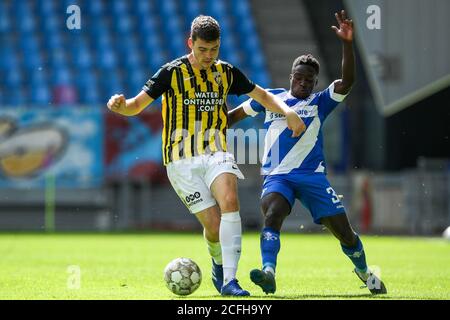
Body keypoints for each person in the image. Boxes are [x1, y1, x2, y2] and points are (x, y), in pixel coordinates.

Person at [107, 15, 305, 296]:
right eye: (202, 50)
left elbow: (261, 95)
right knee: (213, 227)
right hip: (180, 160)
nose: (209, 56)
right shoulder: (171, 73)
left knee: (230, 201)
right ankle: (217, 260)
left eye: (214, 50)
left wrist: (288, 112)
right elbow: (135, 105)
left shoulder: (226, 72)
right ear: (191, 43)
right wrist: (120, 105)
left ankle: (230, 281)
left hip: (216, 152)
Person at [228, 10, 387, 295]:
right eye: (299, 78)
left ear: (315, 83)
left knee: (344, 233)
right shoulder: (271, 98)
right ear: (291, 76)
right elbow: (234, 116)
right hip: (278, 176)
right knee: (273, 213)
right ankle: (268, 271)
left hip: (312, 177)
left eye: (308, 80)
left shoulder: (320, 101)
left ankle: (365, 273)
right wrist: (205, 123)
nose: (303, 83)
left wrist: (347, 44)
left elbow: (347, 81)